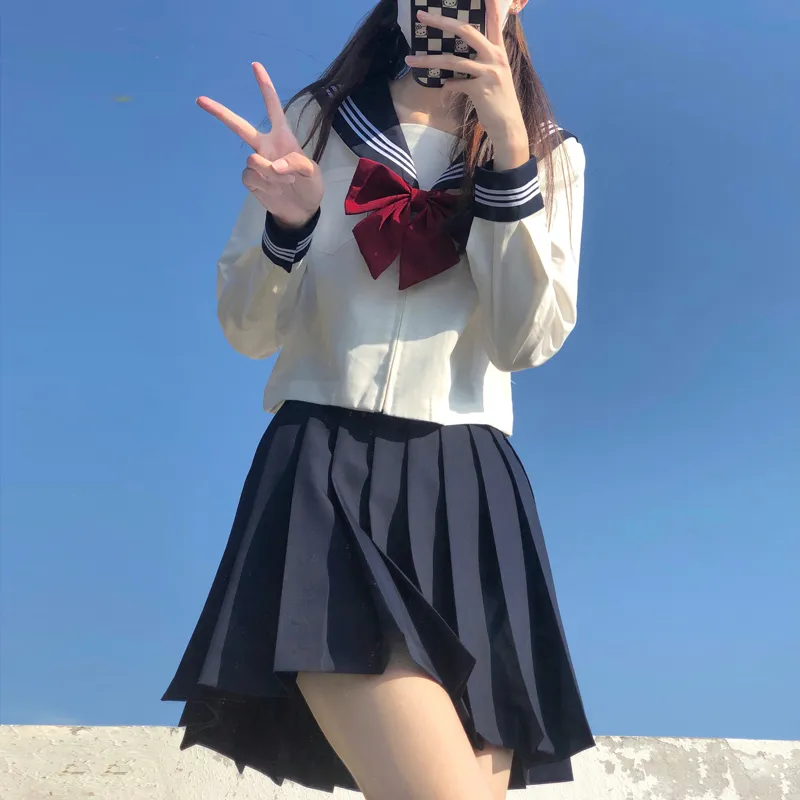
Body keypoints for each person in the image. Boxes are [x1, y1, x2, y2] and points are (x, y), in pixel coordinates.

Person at [163, 0, 594, 797]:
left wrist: (509, 156)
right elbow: (248, 329)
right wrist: (287, 227)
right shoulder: (316, 120)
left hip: (469, 490)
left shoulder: (549, 152)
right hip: (325, 471)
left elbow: (525, 341)